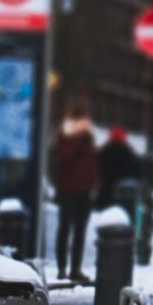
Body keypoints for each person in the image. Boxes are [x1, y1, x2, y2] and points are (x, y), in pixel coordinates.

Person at [51, 96, 99, 283]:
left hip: (84, 191)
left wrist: (93, 183)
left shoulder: (87, 136)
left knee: (80, 231)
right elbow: (64, 155)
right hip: (68, 189)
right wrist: (79, 139)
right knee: (65, 229)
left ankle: (75, 268)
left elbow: (91, 162)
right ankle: (62, 267)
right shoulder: (67, 135)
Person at [96, 126, 143, 210]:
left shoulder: (104, 151)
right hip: (123, 192)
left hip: (105, 190)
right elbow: (136, 171)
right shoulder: (128, 152)